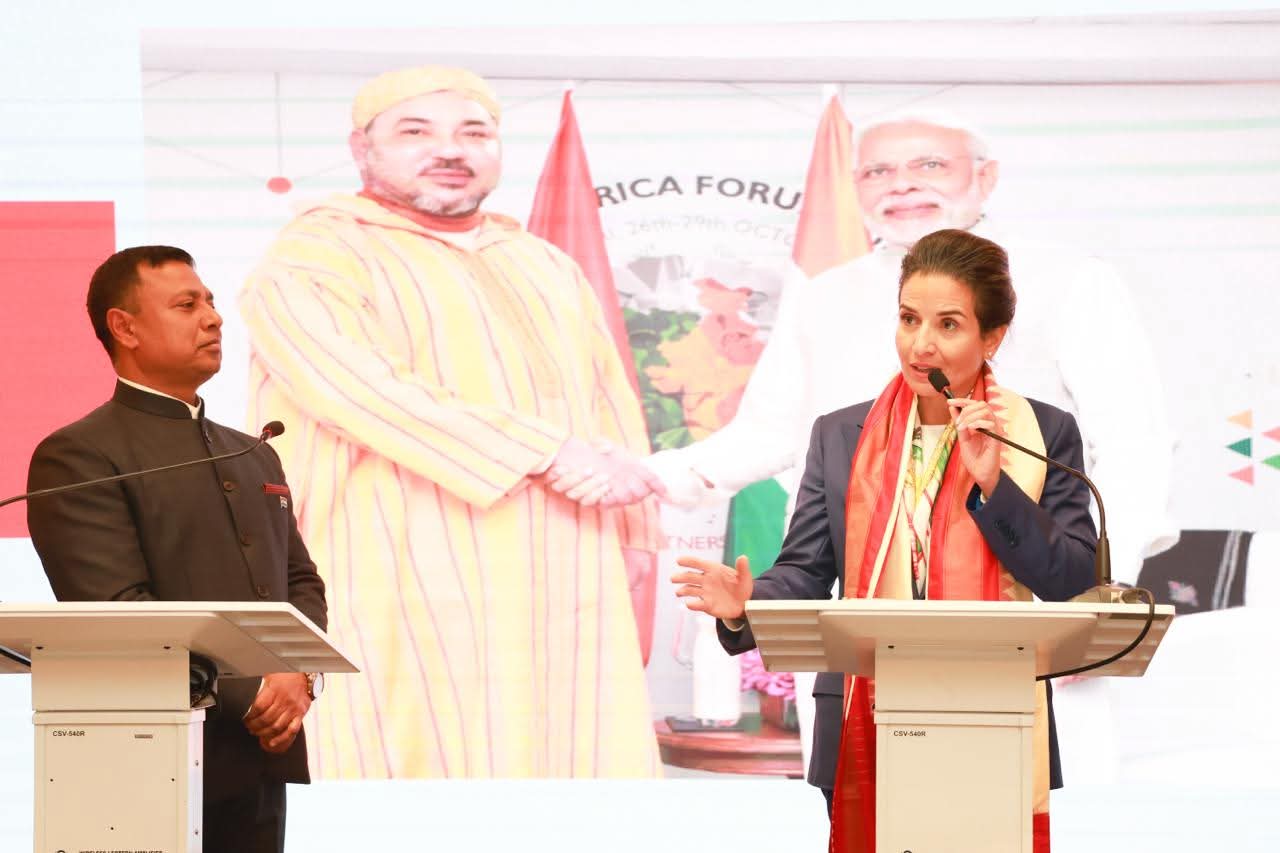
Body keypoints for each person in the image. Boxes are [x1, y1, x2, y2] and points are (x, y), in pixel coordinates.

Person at [238, 65, 664, 779]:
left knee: (575, 771)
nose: (449, 150)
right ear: (362, 149)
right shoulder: (315, 253)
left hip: (567, 569)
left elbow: (608, 405)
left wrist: (637, 532)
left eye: (474, 133)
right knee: (420, 770)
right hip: (401, 569)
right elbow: (354, 387)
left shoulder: (544, 262)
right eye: (416, 131)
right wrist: (541, 450)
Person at [672, 230, 1098, 852]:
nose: (921, 344)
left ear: (992, 338)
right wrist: (747, 604)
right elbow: (806, 572)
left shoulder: (1042, 433)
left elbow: (1073, 581)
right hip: (865, 711)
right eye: (908, 319)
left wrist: (994, 485)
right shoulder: (840, 436)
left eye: (949, 324)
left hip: (993, 710)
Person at [645, 111, 1175, 586]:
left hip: (1022, 583)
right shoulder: (826, 293)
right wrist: (655, 476)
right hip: (861, 588)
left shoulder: (1068, 278)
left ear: (985, 177)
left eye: (930, 165)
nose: (900, 185)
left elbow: (1132, 440)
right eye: (877, 171)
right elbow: (772, 429)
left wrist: (1105, 583)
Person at [26, 246, 328, 853]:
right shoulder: (79, 454)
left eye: (210, 302)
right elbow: (117, 609)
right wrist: (255, 694)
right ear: (124, 328)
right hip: (143, 761)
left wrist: (298, 674)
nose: (213, 318)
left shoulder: (253, 452)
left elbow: (300, 582)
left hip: (259, 760)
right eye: (187, 305)